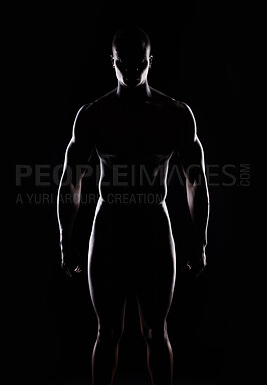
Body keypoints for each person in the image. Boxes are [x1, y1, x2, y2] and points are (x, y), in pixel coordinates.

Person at [57, 26, 210, 385]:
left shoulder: (175, 113)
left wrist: (200, 238)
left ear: (150, 61)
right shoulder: (94, 115)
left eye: (138, 63)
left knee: (157, 331)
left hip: (154, 227)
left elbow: (195, 180)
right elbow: (71, 181)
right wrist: (66, 237)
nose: (130, 71)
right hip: (109, 227)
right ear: (112, 61)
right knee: (107, 332)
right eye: (122, 63)